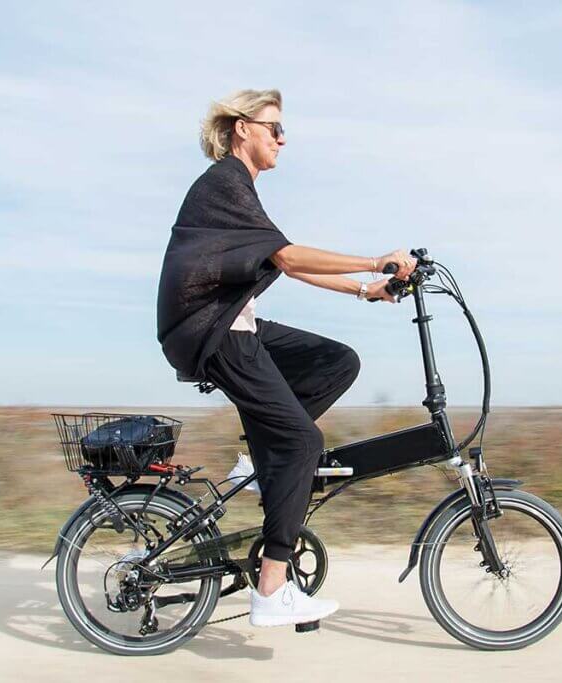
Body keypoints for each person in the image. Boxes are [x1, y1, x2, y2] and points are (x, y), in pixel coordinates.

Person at [156, 89, 416, 627]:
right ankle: (272, 590)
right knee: (303, 441)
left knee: (336, 361)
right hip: (214, 332)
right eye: (273, 127)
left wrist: (368, 290)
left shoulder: (239, 188)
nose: (282, 137)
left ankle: (260, 457)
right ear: (241, 129)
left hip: (233, 324)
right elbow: (290, 256)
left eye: (282, 129)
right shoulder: (224, 183)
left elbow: (289, 265)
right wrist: (377, 260)